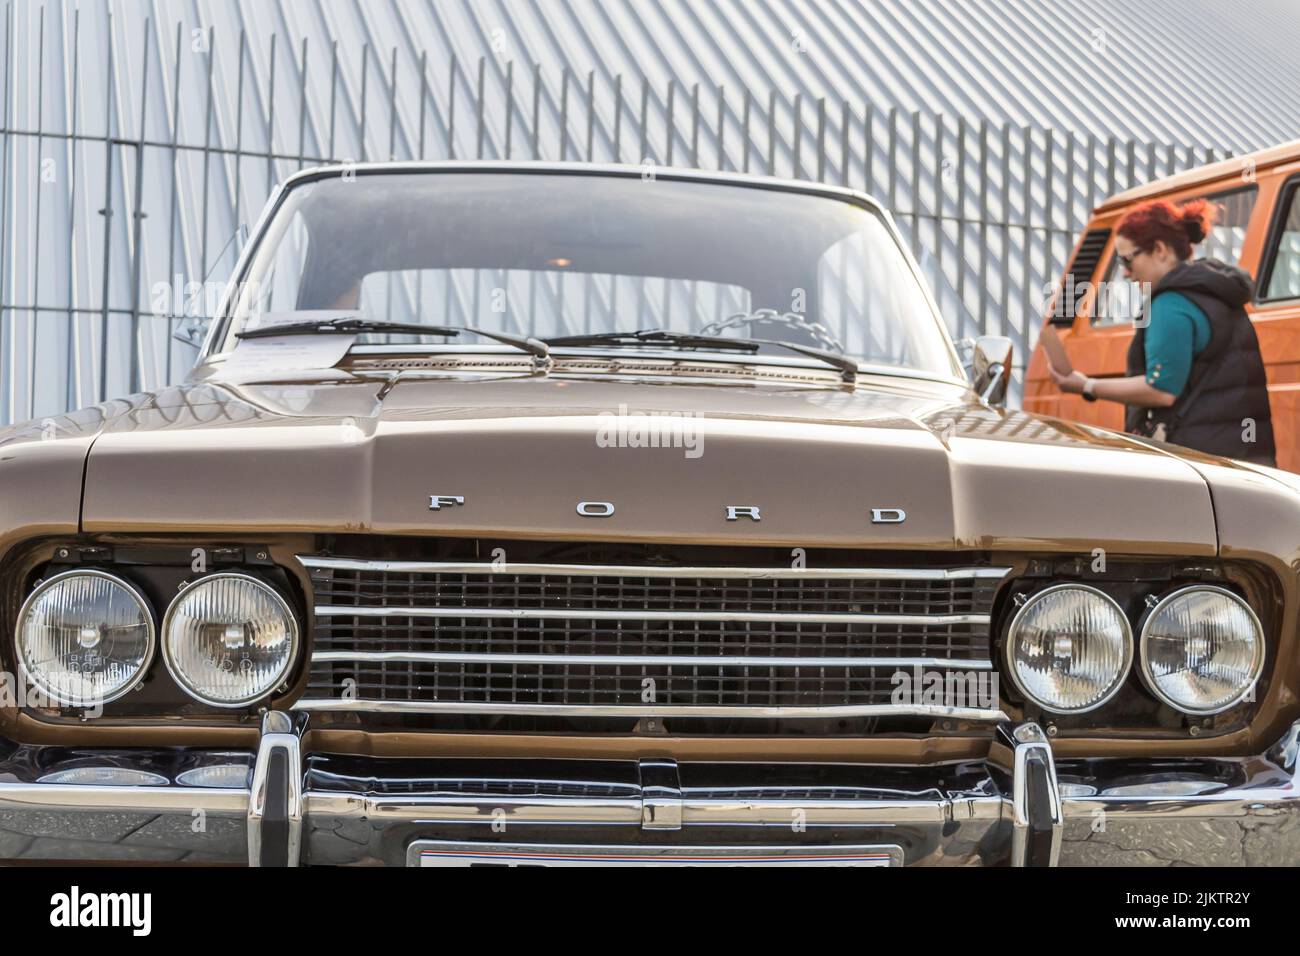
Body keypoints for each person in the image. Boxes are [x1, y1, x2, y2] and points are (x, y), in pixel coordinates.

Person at [1049, 198, 1276, 466]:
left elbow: (1161, 389)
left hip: (1201, 465)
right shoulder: (1216, 290)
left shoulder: (1170, 304)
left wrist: (1086, 385)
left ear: (1159, 250)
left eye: (1127, 259)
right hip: (1244, 460)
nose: (1125, 273)